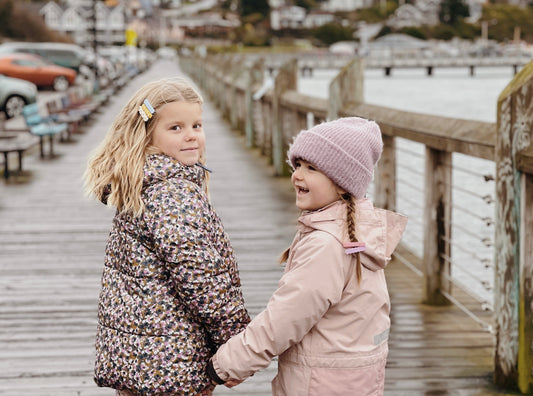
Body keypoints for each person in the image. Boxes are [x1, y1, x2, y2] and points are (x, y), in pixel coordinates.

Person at [206, 117, 408, 395]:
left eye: (312, 169)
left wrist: (228, 364)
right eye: (298, 165)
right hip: (353, 378)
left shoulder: (326, 244)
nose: (297, 175)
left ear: (341, 184)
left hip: (320, 381)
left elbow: (286, 316)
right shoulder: (355, 233)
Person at [84, 77, 250, 396]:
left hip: (136, 355)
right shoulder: (174, 196)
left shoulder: (140, 184)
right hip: (175, 361)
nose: (191, 136)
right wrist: (238, 344)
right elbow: (203, 280)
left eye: (197, 126)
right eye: (175, 128)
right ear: (147, 135)